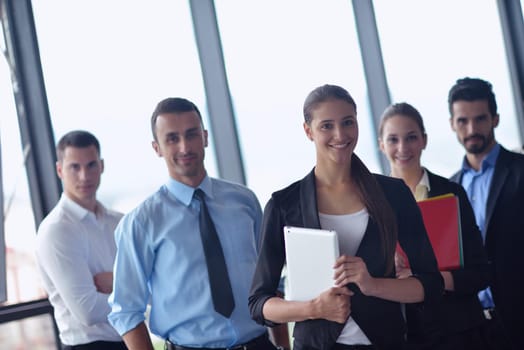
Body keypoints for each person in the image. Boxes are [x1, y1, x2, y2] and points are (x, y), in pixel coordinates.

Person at [249, 84, 443, 350]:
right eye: (326, 125)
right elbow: (259, 303)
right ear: (308, 131)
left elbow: (431, 284)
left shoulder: (393, 194)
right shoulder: (284, 205)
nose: (340, 134)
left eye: (347, 122)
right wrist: (314, 308)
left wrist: (373, 285)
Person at [108, 97, 288, 350]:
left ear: (205, 137)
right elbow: (125, 311)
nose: (184, 147)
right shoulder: (141, 222)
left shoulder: (244, 202)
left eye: (191, 134)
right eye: (172, 138)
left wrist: (283, 347)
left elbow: (270, 282)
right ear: (157, 147)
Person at [378, 102, 490, 349]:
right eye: (393, 139)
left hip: (460, 331)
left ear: (424, 140)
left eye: (411, 138)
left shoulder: (452, 193)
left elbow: (480, 272)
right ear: (381, 145)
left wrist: (429, 279)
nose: (403, 148)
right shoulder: (372, 205)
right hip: (405, 335)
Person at [448, 77, 524, 349]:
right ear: (452, 124)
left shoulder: (520, 170)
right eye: (462, 121)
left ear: (495, 119)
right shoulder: (449, 188)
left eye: (480, 119)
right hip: (473, 326)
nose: (471, 129)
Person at [35, 130, 126, 350]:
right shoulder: (56, 230)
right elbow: (88, 311)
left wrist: (115, 282)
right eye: (74, 167)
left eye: (91, 165)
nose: (84, 176)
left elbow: (153, 277)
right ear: (60, 170)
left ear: (101, 166)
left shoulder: (119, 222)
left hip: (127, 340)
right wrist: (135, 286)